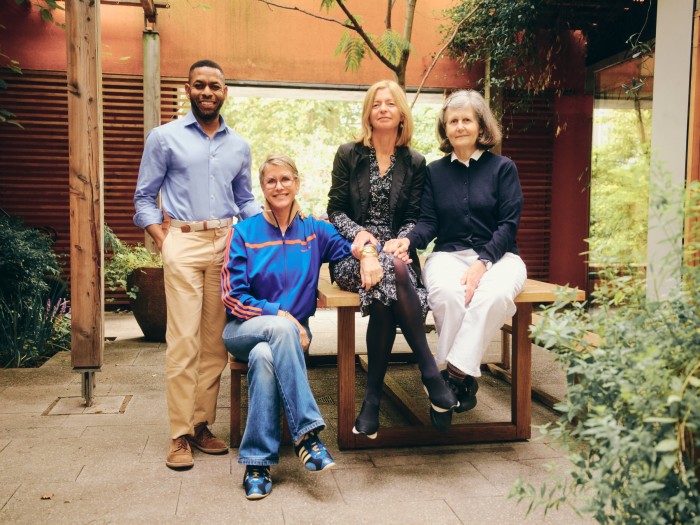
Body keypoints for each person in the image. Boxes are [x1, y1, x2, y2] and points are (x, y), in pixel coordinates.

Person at [221, 154, 382, 500]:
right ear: (261, 188)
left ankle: (257, 464)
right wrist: (282, 317)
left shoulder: (314, 231)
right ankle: (308, 435)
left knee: (265, 357)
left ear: (297, 183)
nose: (278, 186)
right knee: (275, 334)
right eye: (270, 181)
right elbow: (232, 297)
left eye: (285, 179)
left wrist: (369, 254)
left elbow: (359, 245)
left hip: (285, 341)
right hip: (242, 330)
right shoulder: (243, 232)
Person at [133, 59, 261, 470]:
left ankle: (202, 425)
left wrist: (262, 231)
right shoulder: (164, 137)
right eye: (200, 85)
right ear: (187, 89)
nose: (208, 92)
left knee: (214, 344)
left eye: (216, 86)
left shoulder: (239, 145)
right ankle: (178, 434)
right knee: (184, 340)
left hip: (226, 244)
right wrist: (163, 239)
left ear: (226, 91)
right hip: (182, 242)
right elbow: (143, 198)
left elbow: (244, 200)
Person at [386, 89, 528, 431]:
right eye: (453, 120)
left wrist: (482, 264)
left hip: (501, 256)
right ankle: (457, 383)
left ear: (481, 126)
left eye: (467, 120)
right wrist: (408, 240)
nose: (460, 126)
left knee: (492, 296)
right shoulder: (435, 172)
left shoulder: (503, 168)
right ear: (445, 128)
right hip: (448, 255)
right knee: (448, 296)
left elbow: (509, 225)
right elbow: (429, 223)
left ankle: (449, 377)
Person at [326, 80, 457, 439]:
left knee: (389, 284)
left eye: (390, 103)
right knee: (392, 271)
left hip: (396, 255)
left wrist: (403, 239)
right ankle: (430, 371)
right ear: (369, 113)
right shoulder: (348, 154)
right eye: (376, 104)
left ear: (401, 114)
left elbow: (415, 216)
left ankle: (371, 402)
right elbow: (335, 210)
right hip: (353, 253)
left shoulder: (415, 162)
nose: (383, 108)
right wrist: (363, 239)